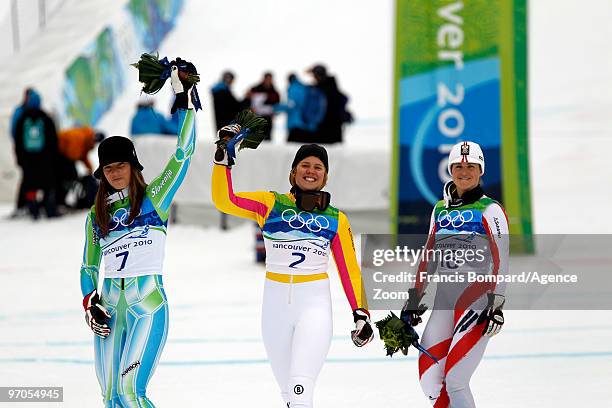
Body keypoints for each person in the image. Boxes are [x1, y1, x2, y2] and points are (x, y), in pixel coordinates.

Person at [212, 136, 373, 408]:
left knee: (299, 390)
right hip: (274, 310)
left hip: (314, 307)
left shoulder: (336, 218)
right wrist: (222, 163)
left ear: (326, 177)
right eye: (305, 165)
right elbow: (225, 200)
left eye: (318, 167)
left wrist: (361, 312)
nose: (311, 171)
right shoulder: (270, 204)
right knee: (289, 395)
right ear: (292, 172)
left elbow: (350, 271)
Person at [79, 64, 197, 407]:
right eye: (109, 168)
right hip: (110, 311)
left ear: (134, 166)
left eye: (121, 166)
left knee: (132, 394)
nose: (115, 173)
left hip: (147, 306)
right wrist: (91, 303)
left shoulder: (154, 198)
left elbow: (183, 155)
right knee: (112, 398)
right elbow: (88, 268)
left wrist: (186, 102)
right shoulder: (95, 215)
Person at [403, 141, 509, 408]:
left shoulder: (490, 209)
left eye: (471, 166)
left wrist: (496, 305)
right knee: (430, 380)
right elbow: (428, 256)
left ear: (481, 170)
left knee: (456, 380)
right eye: (458, 166)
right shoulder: (440, 209)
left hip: (476, 304)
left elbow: (502, 260)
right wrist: (414, 299)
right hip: (444, 301)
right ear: (450, 169)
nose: (464, 171)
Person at [13, 91, 59, 219]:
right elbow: (53, 140)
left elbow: (17, 141)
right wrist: (52, 158)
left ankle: (33, 210)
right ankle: (50, 209)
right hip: (45, 159)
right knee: (48, 183)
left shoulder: (22, 119)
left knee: (30, 184)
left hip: (27, 159)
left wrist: (20, 158)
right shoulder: (46, 118)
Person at [56, 127, 104, 208]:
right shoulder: (80, 137)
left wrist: (90, 170)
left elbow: (82, 156)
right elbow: (73, 155)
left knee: (70, 177)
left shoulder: (86, 138)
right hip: (60, 155)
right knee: (69, 177)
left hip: (62, 155)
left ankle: (60, 201)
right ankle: (59, 201)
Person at [307, 64, 352, 144]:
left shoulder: (325, 90)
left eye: (314, 75)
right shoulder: (329, 87)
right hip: (330, 130)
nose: (314, 78)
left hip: (329, 131)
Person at [276, 73, 326, 143]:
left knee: (293, 149)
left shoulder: (294, 88)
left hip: (296, 124)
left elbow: (293, 105)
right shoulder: (305, 88)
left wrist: (275, 108)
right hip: (309, 126)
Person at [246, 72, 280, 140]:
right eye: (267, 79)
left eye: (270, 79)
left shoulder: (274, 91)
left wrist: (275, 112)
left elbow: (277, 105)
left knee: (267, 136)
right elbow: (248, 99)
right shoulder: (255, 89)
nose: (268, 81)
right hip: (256, 117)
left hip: (268, 117)